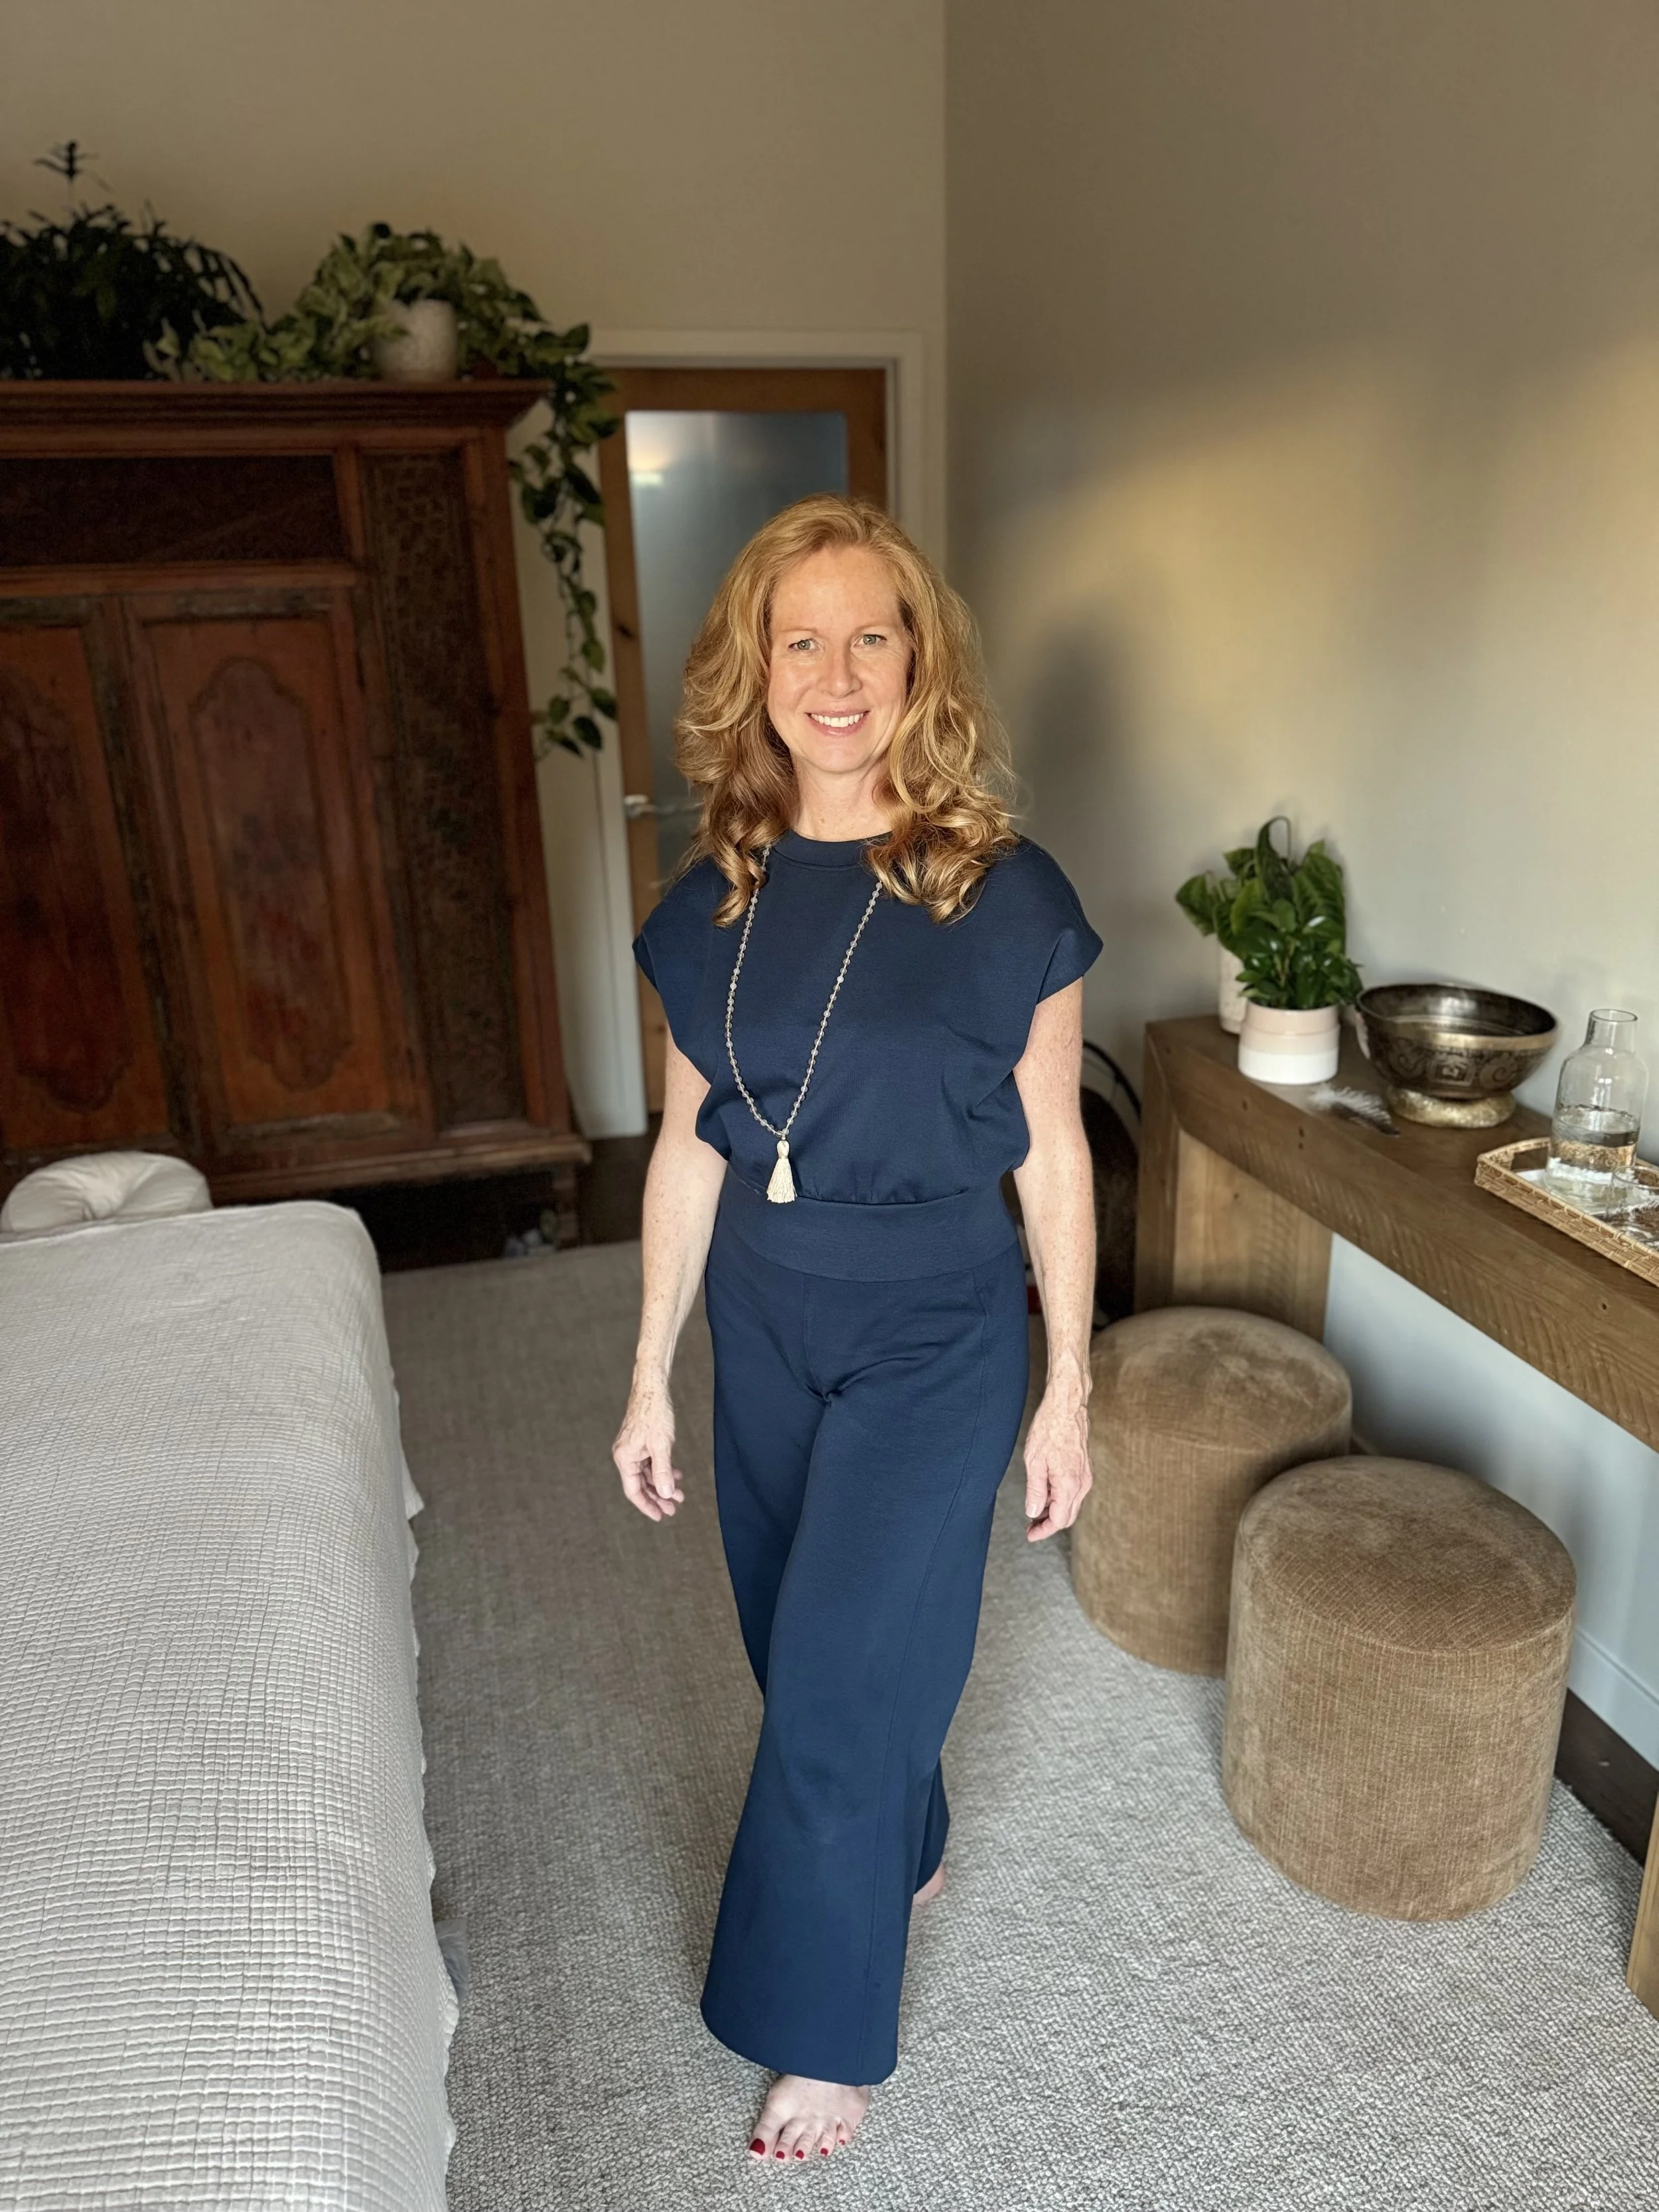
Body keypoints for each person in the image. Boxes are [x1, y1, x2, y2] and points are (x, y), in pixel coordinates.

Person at [612, 494, 1100, 2163]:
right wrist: (646, 1379)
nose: (835, 675)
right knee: (795, 1635)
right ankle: (910, 1814)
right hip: (762, 1312)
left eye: (868, 635)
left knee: (824, 1685)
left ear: (920, 659)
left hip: (935, 1326)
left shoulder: (1005, 894)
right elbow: (686, 1151)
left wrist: (1069, 1388)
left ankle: (821, 2028)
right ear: (752, 671)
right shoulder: (708, 907)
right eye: (796, 639)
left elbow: (1052, 1158)